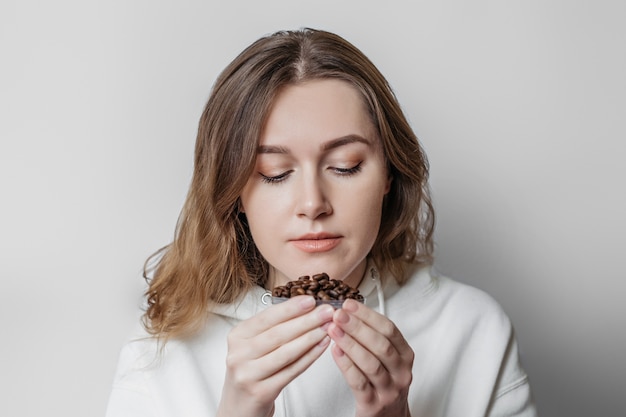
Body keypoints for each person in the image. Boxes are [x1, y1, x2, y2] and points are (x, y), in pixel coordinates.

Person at [105, 28, 537, 417]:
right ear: (234, 191)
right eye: (275, 172)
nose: (313, 204)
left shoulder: (472, 329)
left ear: (389, 173)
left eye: (345, 166)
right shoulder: (163, 352)